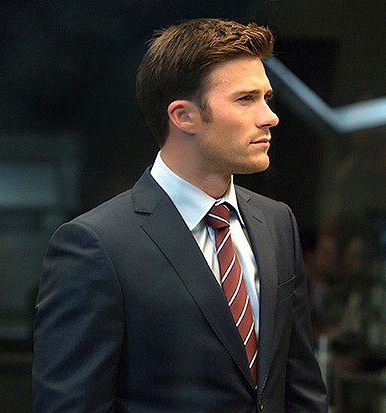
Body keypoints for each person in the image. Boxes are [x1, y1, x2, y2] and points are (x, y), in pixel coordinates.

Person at [32, 18, 328, 412]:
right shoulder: (96, 245)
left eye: (266, 97)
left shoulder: (276, 222)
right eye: (245, 99)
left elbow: (300, 387)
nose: (269, 116)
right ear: (183, 116)